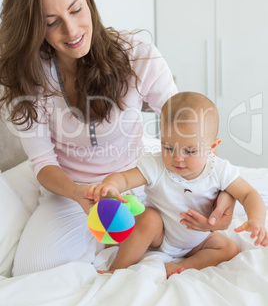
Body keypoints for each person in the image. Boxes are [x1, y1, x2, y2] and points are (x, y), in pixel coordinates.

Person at [0, 0, 234, 275]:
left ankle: (120, 249)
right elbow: (43, 162)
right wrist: (79, 193)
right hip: (70, 193)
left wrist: (224, 190)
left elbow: (186, 127)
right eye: (52, 23)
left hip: (135, 185)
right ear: (35, 28)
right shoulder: (30, 77)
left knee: (196, 237)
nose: (71, 31)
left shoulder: (137, 55)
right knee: (32, 270)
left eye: (76, 10)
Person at [88, 92, 268, 278]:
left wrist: (256, 220)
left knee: (228, 248)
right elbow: (125, 179)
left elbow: (248, 194)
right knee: (149, 218)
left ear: (212, 147)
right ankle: (118, 269)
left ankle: (180, 266)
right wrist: (110, 185)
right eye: (168, 147)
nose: (177, 158)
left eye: (190, 150)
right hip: (161, 236)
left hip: (198, 239)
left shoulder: (219, 169)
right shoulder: (156, 165)